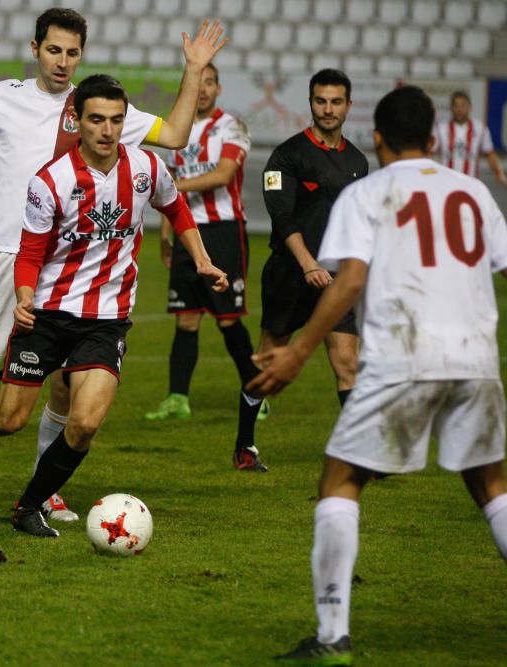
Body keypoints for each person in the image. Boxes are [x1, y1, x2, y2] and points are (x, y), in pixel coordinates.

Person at [0, 8, 226, 517]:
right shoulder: (3, 98)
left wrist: (193, 69)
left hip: (64, 266)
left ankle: (45, 492)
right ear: (36, 48)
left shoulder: (95, 110)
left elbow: (173, 136)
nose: (62, 62)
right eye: (54, 50)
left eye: (72, 52)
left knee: (64, 383)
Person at [246, 86, 507, 665]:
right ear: (436, 139)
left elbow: (350, 281)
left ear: (379, 138)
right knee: (492, 487)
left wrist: (298, 351)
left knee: (340, 480)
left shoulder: (367, 193)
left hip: (404, 360)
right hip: (477, 361)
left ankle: (333, 634)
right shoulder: (473, 194)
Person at [234, 69, 369, 473]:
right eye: (320, 101)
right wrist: (307, 263)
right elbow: (281, 217)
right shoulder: (286, 156)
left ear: (348, 105)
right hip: (290, 276)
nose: (327, 109)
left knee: (347, 363)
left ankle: (357, 456)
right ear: (310, 103)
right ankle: (244, 447)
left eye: (335, 102)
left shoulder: (358, 162)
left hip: (337, 279)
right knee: (268, 362)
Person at [144, 63, 265, 423]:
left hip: (223, 231)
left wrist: (175, 188)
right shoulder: (175, 131)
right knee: (185, 319)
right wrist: (166, 234)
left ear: (218, 88)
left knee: (228, 320)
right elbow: (170, 186)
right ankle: (177, 398)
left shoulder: (232, 126)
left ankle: (257, 395)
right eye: (198, 83)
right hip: (186, 233)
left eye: (209, 83)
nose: (203, 89)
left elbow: (223, 175)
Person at [432, 91, 507, 188]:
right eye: (455, 106)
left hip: (470, 184)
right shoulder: (440, 129)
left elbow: (490, 154)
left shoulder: (480, 129)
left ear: (469, 107)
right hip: (445, 183)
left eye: (463, 105)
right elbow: (429, 153)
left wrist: (498, 172)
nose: (459, 109)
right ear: (451, 108)